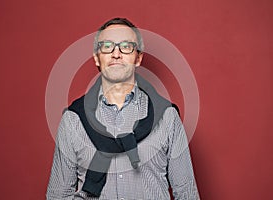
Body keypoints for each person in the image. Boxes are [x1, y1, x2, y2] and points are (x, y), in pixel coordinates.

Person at [46, 17, 200, 199]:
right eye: (107, 46)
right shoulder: (73, 120)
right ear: (97, 57)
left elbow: (186, 194)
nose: (116, 54)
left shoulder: (167, 117)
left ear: (138, 58)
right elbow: (58, 195)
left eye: (126, 46)